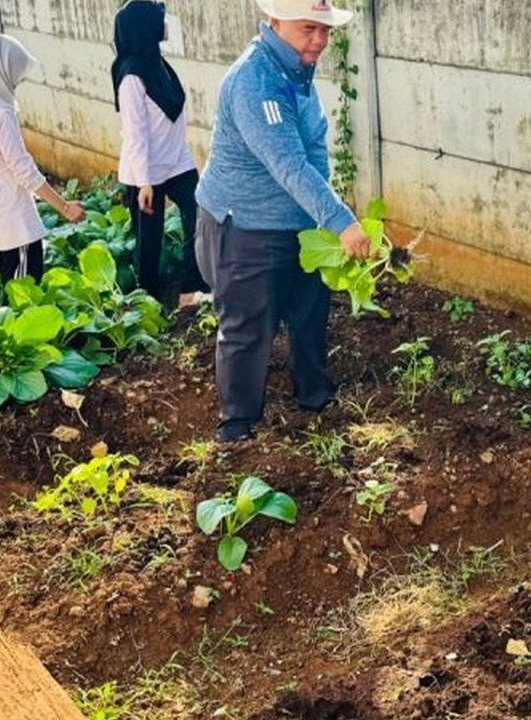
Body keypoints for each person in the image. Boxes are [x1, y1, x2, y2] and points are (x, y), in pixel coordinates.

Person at [195, 0, 372, 443]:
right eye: (308, 29)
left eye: (325, 30)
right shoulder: (256, 80)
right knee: (247, 327)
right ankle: (237, 429)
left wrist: (324, 216)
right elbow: (288, 164)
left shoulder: (294, 69)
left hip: (298, 224)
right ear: (275, 22)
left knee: (310, 311)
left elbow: (309, 153)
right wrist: (341, 220)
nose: (320, 40)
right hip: (246, 227)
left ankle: (315, 397)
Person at [0, 33, 84, 283]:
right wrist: (65, 207)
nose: (14, 82)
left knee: (13, 285)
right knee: (25, 294)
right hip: (13, 224)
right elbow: (22, 168)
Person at [113, 0, 209, 308]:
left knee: (201, 215)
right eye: (159, 20)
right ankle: (147, 304)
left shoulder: (159, 64)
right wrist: (144, 182)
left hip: (176, 164)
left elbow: (173, 123)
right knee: (149, 242)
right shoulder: (130, 76)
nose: (164, 24)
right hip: (144, 172)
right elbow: (135, 133)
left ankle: (190, 290)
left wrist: (186, 160)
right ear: (146, 29)